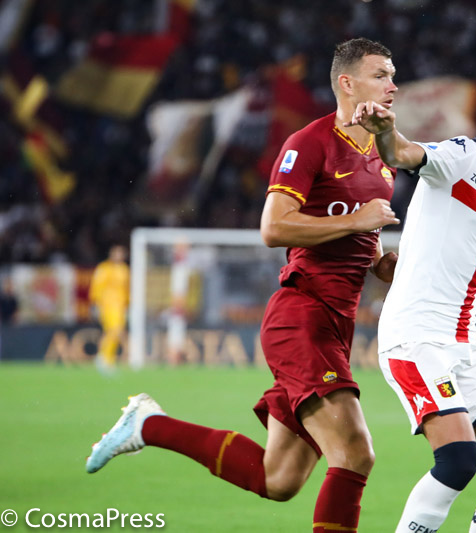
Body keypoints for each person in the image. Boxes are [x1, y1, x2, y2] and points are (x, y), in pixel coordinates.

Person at [85, 38, 400, 533]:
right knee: (355, 453)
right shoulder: (309, 142)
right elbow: (274, 228)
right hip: (302, 316)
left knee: (278, 479)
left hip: (338, 324)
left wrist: (384, 265)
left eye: (392, 74)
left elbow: (358, 242)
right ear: (347, 82)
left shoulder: (382, 159)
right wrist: (357, 219)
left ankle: (148, 425)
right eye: (381, 74)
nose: (393, 84)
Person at [347, 76, 476, 533]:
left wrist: (401, 263)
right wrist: (384, 130)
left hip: (465, 343)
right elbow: (404, 154)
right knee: (460, 459)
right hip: (415, 338)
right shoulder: (462, 156)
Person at [89, 245, 130, 373]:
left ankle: (107, 359)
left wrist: (128, 304)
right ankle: (103, 358)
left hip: (120, 306)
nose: (119, 256)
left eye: (121, 253)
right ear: (111, 254)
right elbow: (96, 286)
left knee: (114, 332)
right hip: (107, 305)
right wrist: (95, 303)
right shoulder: (104, 268)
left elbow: (127, 289)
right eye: (117, 253)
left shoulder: (124, 270)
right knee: (114, 331)